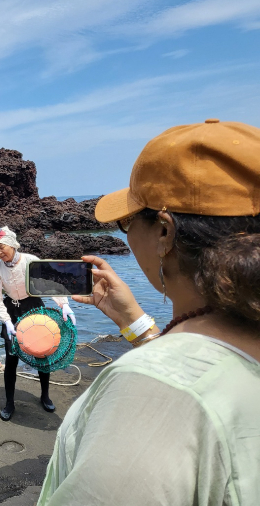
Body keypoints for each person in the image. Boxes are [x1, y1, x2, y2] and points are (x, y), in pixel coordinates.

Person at [38, 119, 260, 505]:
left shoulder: (150, 388)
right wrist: (136, 325)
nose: (125, 234)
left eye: (126, 222)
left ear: (164, 232)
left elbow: (180, 387)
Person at [0, 226, 76, 420]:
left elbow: (50, 285)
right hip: (11, 309)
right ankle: (10, 402)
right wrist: (6, 321)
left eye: (2, 247)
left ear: (12, 244)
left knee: (42, 353)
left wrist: (64, 305)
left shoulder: (30, 261)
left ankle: (44, 395)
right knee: (11, 357)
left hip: (33, 307)